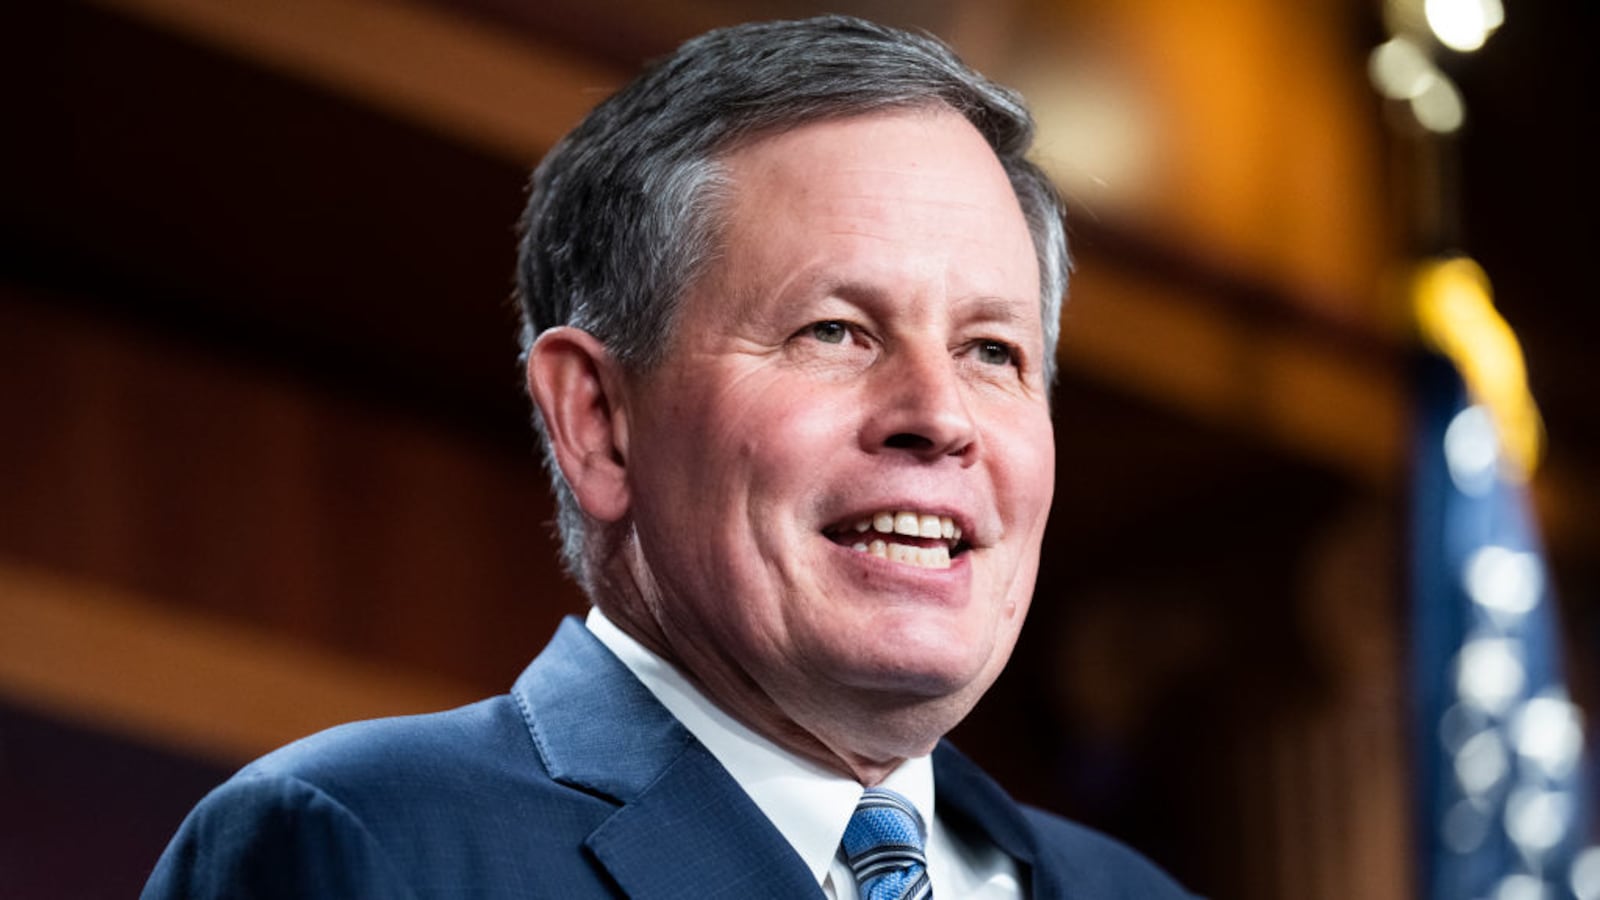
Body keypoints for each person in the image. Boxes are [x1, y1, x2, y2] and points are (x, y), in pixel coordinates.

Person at [144, 15, 1196, 899]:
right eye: (832, 330)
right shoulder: (367, 846)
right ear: (599, 420)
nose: (939, 414)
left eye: (991, 351)